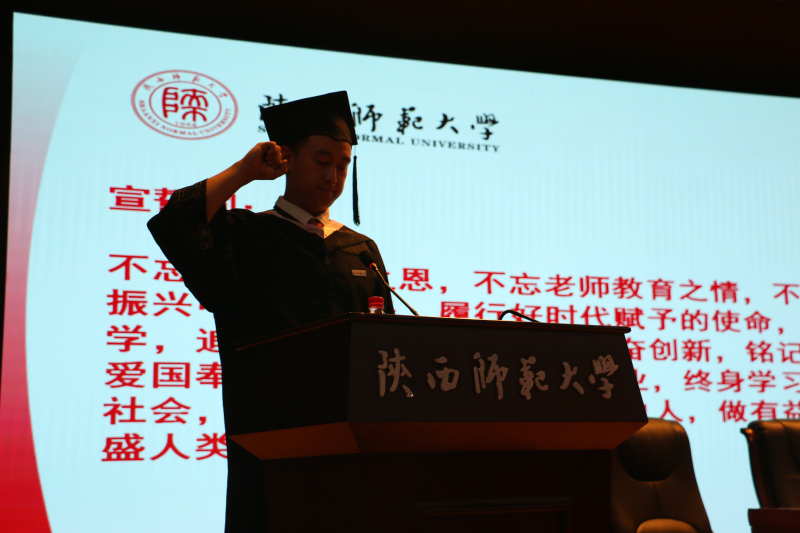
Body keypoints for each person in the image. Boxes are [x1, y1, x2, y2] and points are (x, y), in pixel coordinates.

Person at [147, 91, 395, 531]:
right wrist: (244, 172)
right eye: (321, 160)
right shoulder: (246, 235)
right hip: (271, 436)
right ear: (288, 159)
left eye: (342, 165)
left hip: (354, 442)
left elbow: (388, 349)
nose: (333, 176)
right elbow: (174, 221)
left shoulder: (359, 249)